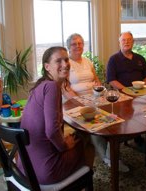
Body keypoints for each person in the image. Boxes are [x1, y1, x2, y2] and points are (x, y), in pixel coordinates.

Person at [17, 46, 94, 184]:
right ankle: (83, 182)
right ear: (47, 66)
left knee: (74, 138)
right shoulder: (52, 87)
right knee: (87, 143)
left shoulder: (40, 86)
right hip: (45, 171)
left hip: (25, 166)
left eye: (66, 59)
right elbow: (52, 131)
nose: (65, 64)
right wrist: (65, 146)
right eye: (58, 61)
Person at [62, 33, 101, 101]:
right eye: (74, 44)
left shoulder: (88, 61)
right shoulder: (65, 64)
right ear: (69, 47)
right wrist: (80, 101)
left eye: (80, 43)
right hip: (74, 102)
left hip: (93, 99)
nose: (78, 46)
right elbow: (65, 89)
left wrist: (98, 94)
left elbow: (96, 80)